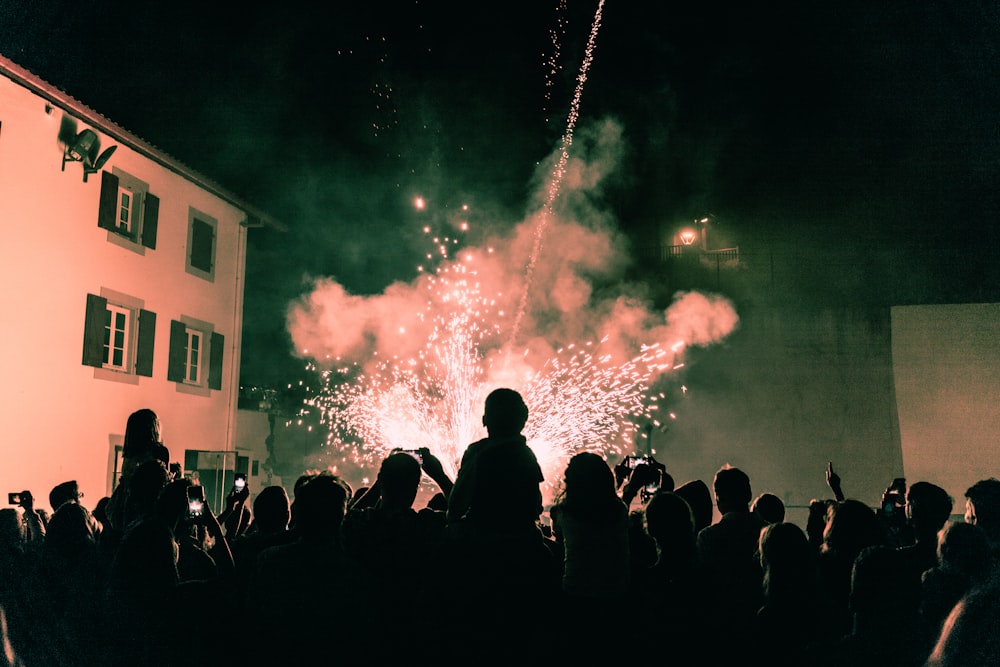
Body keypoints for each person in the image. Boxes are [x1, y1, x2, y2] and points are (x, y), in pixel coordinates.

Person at [446, 388, 544, 529]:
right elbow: (536, 506)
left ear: (485, 420)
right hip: (523, 540)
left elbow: (456, 507)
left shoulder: (478, 453)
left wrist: (438, 474)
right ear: (523, 419)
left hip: (482, 539)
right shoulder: (527, 456)